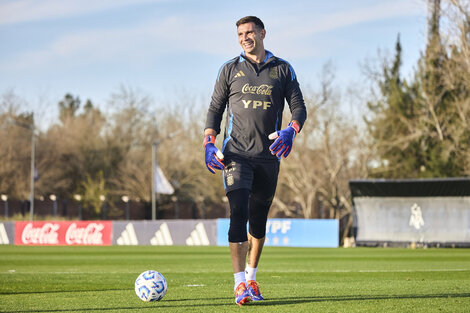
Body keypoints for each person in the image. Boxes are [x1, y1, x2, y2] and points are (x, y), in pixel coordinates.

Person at [203, 16, 307, 306]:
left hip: (269, 156)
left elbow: (299, 107)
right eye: (240, 33)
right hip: (235, 155)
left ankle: (251, 277)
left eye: (249, 32)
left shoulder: (282, 69)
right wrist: (208, 142)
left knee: (258, 220)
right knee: (238, 211)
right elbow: (214, 109)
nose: (245, 37)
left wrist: (291, 130)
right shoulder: (230, 70)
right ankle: (238, 285)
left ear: (262, 33)